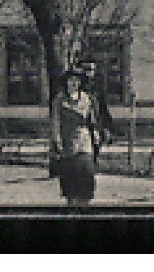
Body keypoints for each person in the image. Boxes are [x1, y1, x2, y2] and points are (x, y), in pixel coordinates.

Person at [49, 61, 103, 206]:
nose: (73, 83)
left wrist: (96, 133)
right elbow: (55, 122)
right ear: (66, 82)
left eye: (76, 80)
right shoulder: (59, 100)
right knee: (70, 182)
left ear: (80, 82)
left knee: (86, 176)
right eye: (71, 80)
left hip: (85, 142)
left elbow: (92, 119)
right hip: (67, 143)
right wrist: (57, 141)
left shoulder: (86, 98)